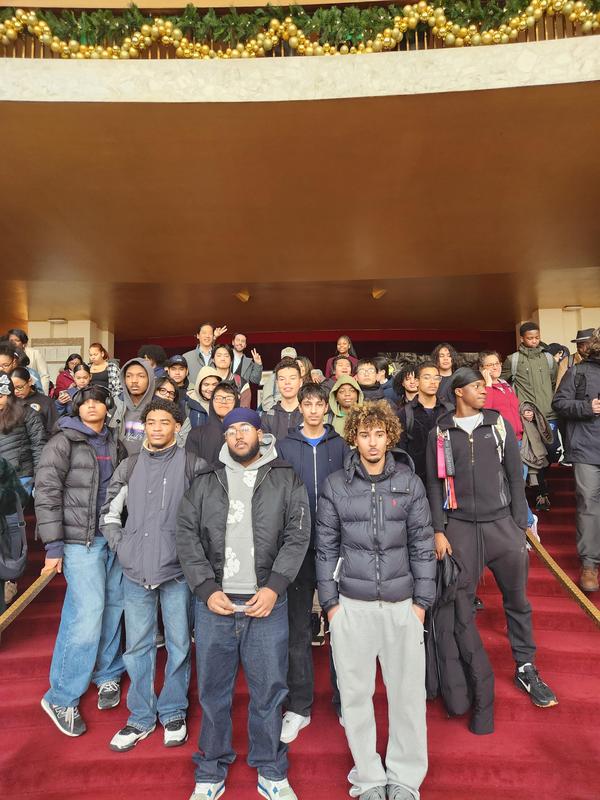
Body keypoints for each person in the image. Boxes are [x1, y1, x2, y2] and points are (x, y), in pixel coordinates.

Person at [176, 408, 310, 800]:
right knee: (214, 692)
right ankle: (211, 767)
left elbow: (297, 534)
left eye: (245, 429)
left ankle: (270, 767)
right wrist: (203, 587)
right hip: (216, 603)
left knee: (269, 691)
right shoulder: (205, 479)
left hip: (264, 602)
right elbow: (186, 534)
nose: (237, 436)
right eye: (231, 430)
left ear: (259, 434)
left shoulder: (284, 476)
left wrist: (274, 587)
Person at [316, 400, 435, 800]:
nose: (371, 442)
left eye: (379, 434)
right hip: (352, 605)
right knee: (354, 696)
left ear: (389, 437)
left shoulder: (409, 483)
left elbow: (422, 544)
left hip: (403, 605)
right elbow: (325, 548)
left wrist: (422, 601)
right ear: (354, 437)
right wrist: (331, 605)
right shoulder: (335, 485)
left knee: (407, 696)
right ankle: (368, 777)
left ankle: (404, 778)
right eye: (364, 434)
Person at [426, 367, 557, 709]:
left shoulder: (497, 424)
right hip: (460, 528)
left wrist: (518, 522)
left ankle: (526, 666)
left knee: (518, 601)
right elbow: (433, 483)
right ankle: (469, 673)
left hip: (502, 526)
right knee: (460, 604)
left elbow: (515, 477)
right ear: (458, 392)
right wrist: (439, 530)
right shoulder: (440, 431)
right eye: (475, 387)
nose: (484, 392)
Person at [100, 399, 206, 752]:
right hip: (135, 570)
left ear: (177, 427)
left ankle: (173, 711)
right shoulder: (129, 467)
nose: (157, 427)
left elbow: (209, 518)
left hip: (177, 572)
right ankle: (141, 717)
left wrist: (191, 555)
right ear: (144, 426)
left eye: (165, 422)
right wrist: (122, 546)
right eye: (152, 422)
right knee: (138, 646)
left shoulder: (194, 465)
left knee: (178, 645)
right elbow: (110, 512)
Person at [35, 385, 127, 736]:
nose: (92, 406)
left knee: (113, 607)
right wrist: (54, 545)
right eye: (85, 402)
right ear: (77, 408)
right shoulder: (63, 441)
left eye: (98, 402)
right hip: (79, 541)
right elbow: (46, 491)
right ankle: (61, 695)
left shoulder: (114, 442)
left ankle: (107, 674)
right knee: (86, 612)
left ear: (107, 407)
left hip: (112, 538)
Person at [277, 383, 349, 742]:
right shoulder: (285, 446)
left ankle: (346, 701)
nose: (315, 409)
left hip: (337, 546)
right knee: (298, 628)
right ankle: (299, 705)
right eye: (308, 404)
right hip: (298, 546)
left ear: (327, 407)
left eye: (320, 403)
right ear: (300, 408)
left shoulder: (341, 445)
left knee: (343, 627)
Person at [552, 329, 600, 592]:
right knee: (588, 504)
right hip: (586, 449)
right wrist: (587, 408)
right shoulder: (577, 372)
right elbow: (558, 403)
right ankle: (590, 564)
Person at [501, 322, 559, 511]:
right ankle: (542, 492)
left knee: (553, 450)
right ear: (522, 338)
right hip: (528, 417)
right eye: (530, 338)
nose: (534, 341)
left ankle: (539, 484)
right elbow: (504, 385)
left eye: (536, 337)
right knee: (536, 453)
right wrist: (519, 408)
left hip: (549, 415)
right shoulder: (513, 360)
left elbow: (553, 382)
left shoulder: (549, 359)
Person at [479, 351, 537, 536]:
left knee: (518, 483)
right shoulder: (482, 388)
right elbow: (485, 411)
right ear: (482, 369)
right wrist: (487, 385)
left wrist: (525, 413)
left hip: (519, 440)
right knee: (512, 484)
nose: (495, 367)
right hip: (499, 443)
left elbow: (514, 408)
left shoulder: (506, 386)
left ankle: (525, 523)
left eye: (497, 363)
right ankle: (527, 523)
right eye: (490, 364)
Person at [397, 361, 447, 484]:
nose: (433, 382)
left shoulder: (448, 411)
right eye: (427, 377)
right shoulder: (405, 413)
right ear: (417, 381)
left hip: (446, 480)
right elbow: (400, 452)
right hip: (416, 480)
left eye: (437, 378)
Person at [185, 382, 240, 465]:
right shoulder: (196, 434)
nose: (223, 402)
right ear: (212, 401)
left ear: (236, 402)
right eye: (218, 398)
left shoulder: (242, 433)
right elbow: (191, 468)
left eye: (229, 398)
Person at [117, 359, 156, 455]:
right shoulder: (115, 406)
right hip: (119, 466)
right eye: (129, 376)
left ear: (150, 379)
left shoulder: (159, 409)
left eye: (141, 376)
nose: (134, 381)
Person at [261, 358, 303, 441]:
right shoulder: (268, 416)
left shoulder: (308, 414)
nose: (287, 382)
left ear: (300, 382)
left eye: (292, 378)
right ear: (277, 383)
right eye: (282, 379)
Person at [11, 367, 58, 437]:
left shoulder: (46, 402)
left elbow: (54, 430)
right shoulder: (9, 402)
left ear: (29, 382)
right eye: (12, 388)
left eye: (20, 387)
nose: (16, 391)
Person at [7, 328, 50, 394]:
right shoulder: (6, 354)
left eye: (17, 340)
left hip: (33, 391)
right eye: (11, 340)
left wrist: (43, 395)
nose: (13, 343)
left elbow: (44, 376)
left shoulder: (35, 353)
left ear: (23, 343)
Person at [260, 347, 298, 413]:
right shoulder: (274, 377)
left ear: (296, 360)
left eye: (291, 359)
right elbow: (266, 402)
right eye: (285, 358)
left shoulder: (299, 376)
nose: (287, 361)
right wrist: (275, 413)